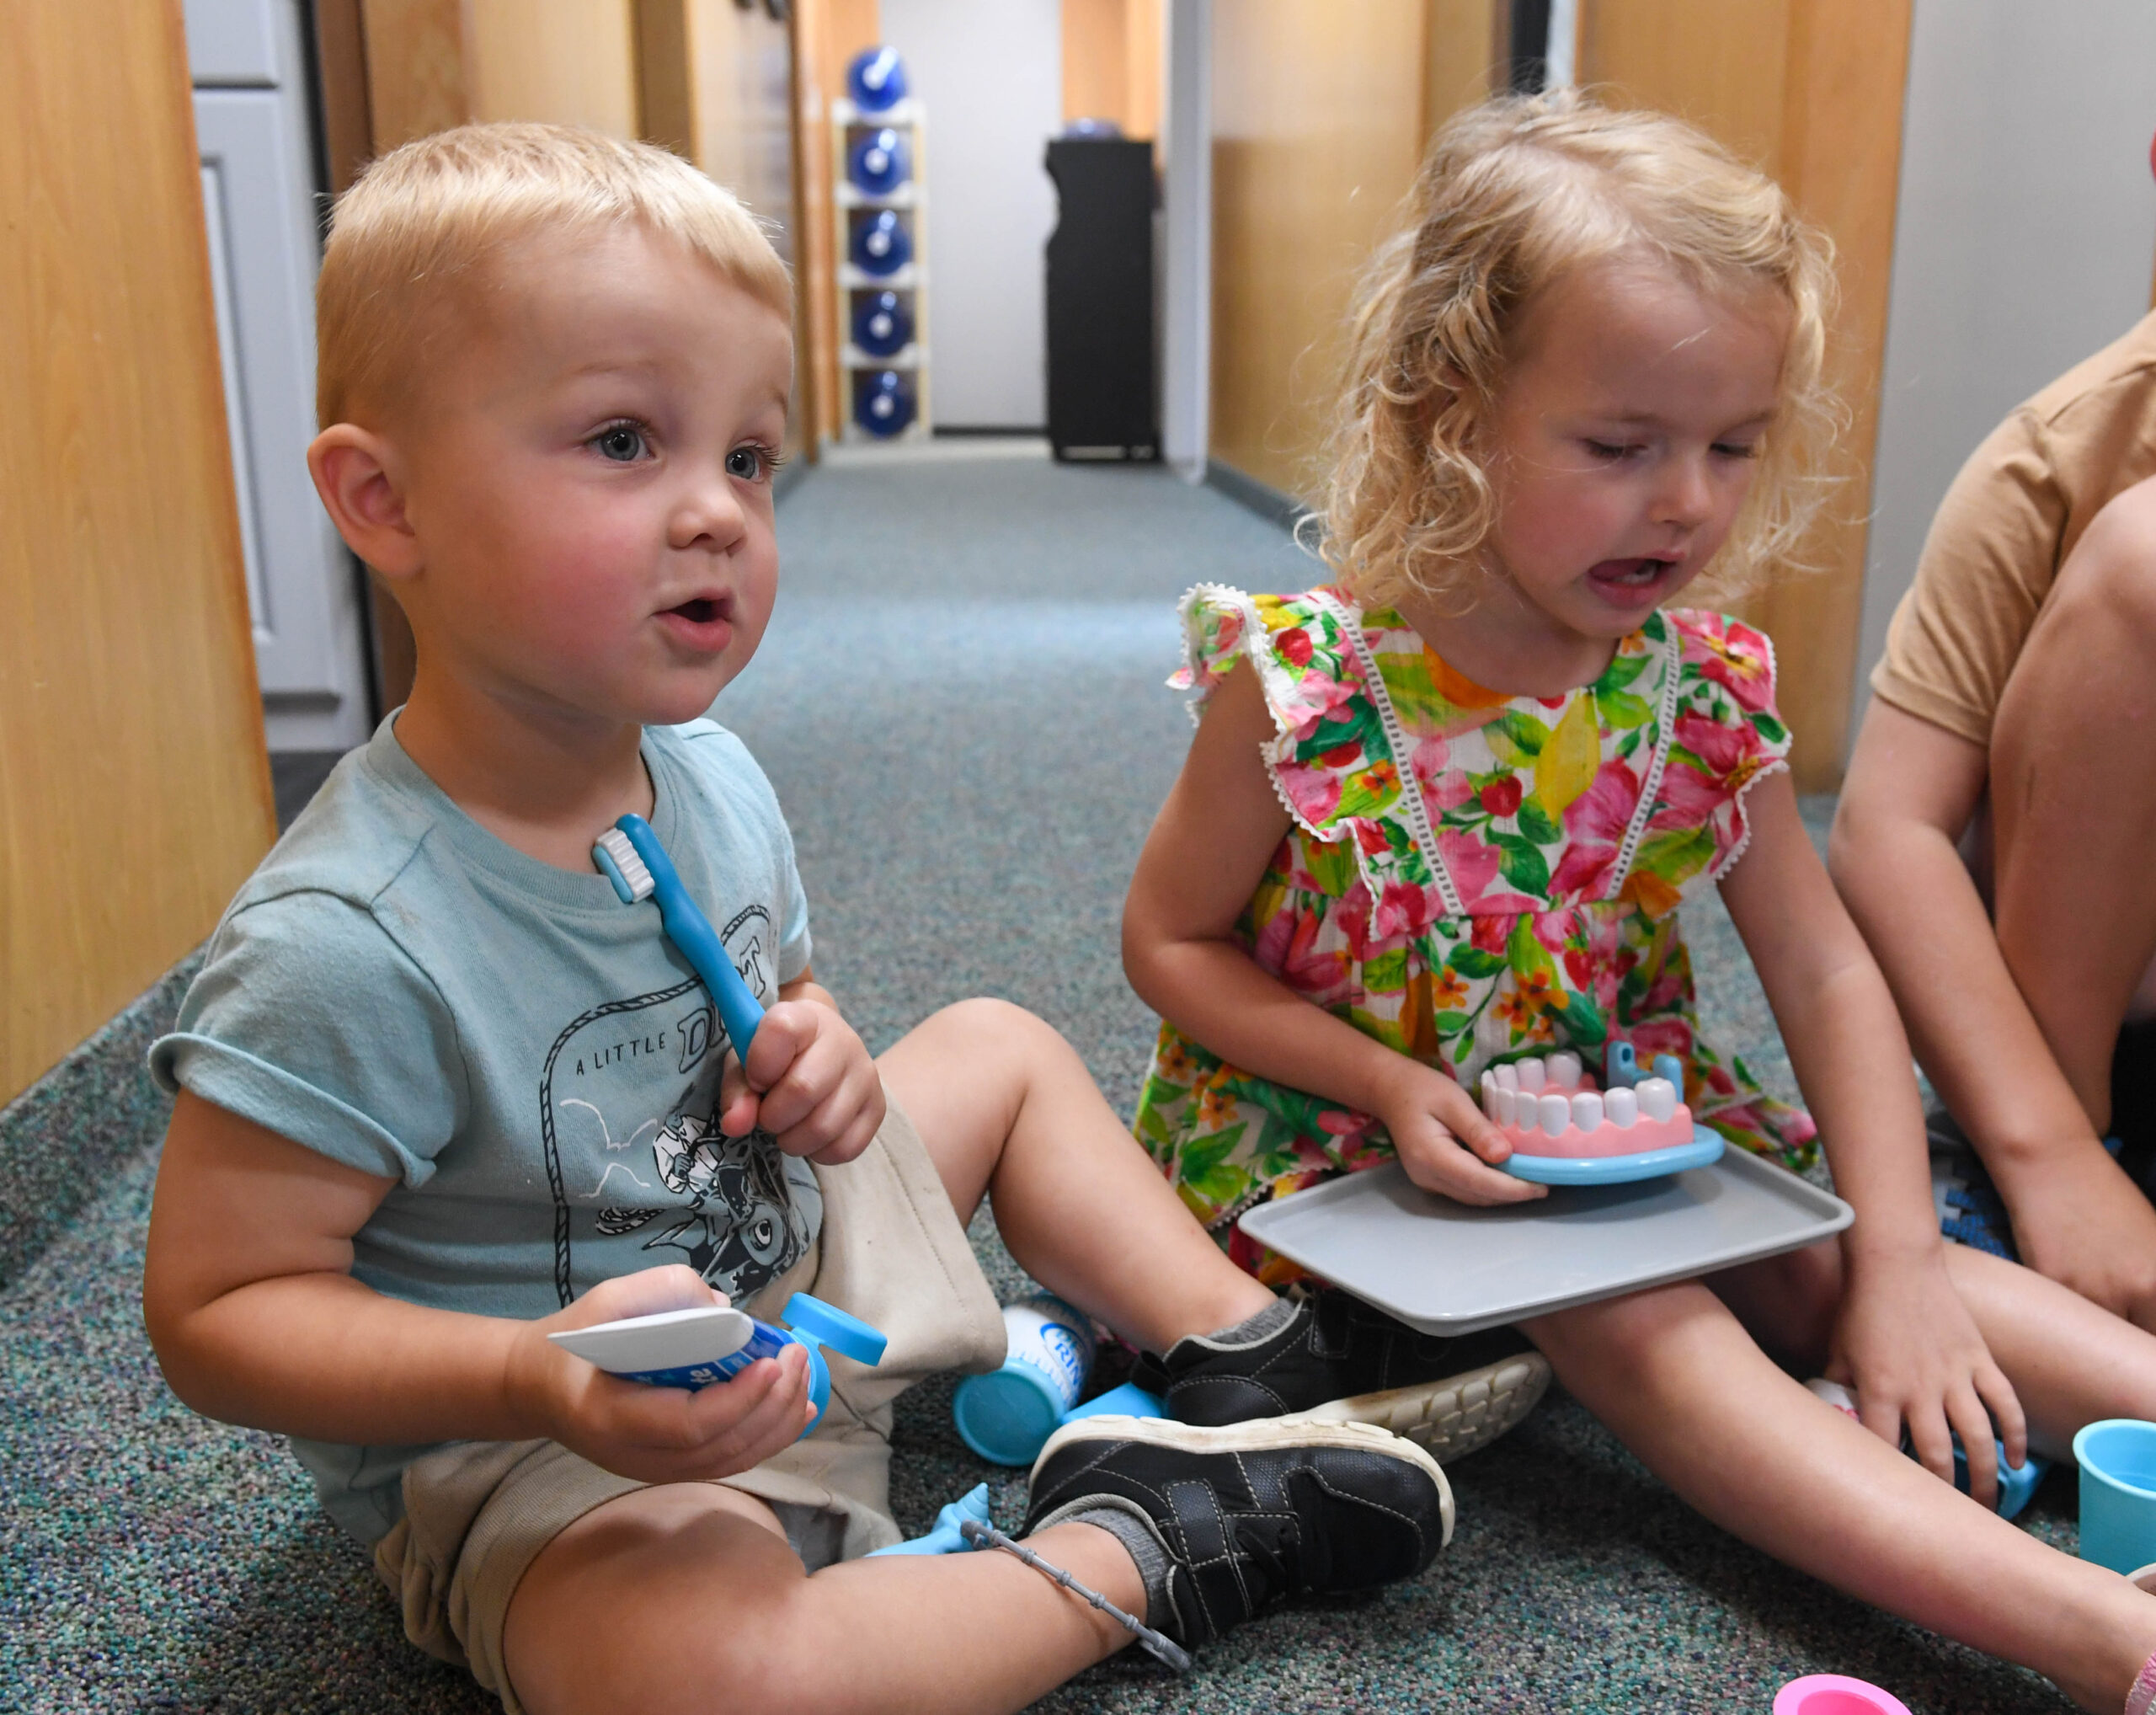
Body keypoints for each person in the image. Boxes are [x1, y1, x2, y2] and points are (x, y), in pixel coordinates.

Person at [136, 125, 1462, 1715]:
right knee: (694, 1681)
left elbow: (796, 1004)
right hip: (571, 1445)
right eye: (626, 441)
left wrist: (825, 1055)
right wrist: (525, 1372)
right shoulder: (343, 936)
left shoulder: (709, 775)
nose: (717, 512)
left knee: (1001, 1048)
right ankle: (1153, 1538)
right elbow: (217, 1317)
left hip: (790, 1271)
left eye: (748, 459)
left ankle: (1246, 1359)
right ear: (385, 501)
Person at [1119, 93, 2156, 1714]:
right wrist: (1387, 1080)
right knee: (1638, 1308)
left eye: (1732, 446)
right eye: (1620, 448)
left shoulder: (1704, 694)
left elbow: (1825, 979)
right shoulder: (1305, 685)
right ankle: (2107, 1640)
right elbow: (1166, 944)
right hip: (1339, 1173)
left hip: (1613, 1136)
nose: (1686, 502)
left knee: (1828, 1252)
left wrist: (1899, 1264)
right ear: (1449, 413)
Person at [1829, 313, 2156, 1322]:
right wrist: (2047, 1149)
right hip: (2095, 1040)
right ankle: (2047, 1174)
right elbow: (1889, 828)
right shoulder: (2066, 449)